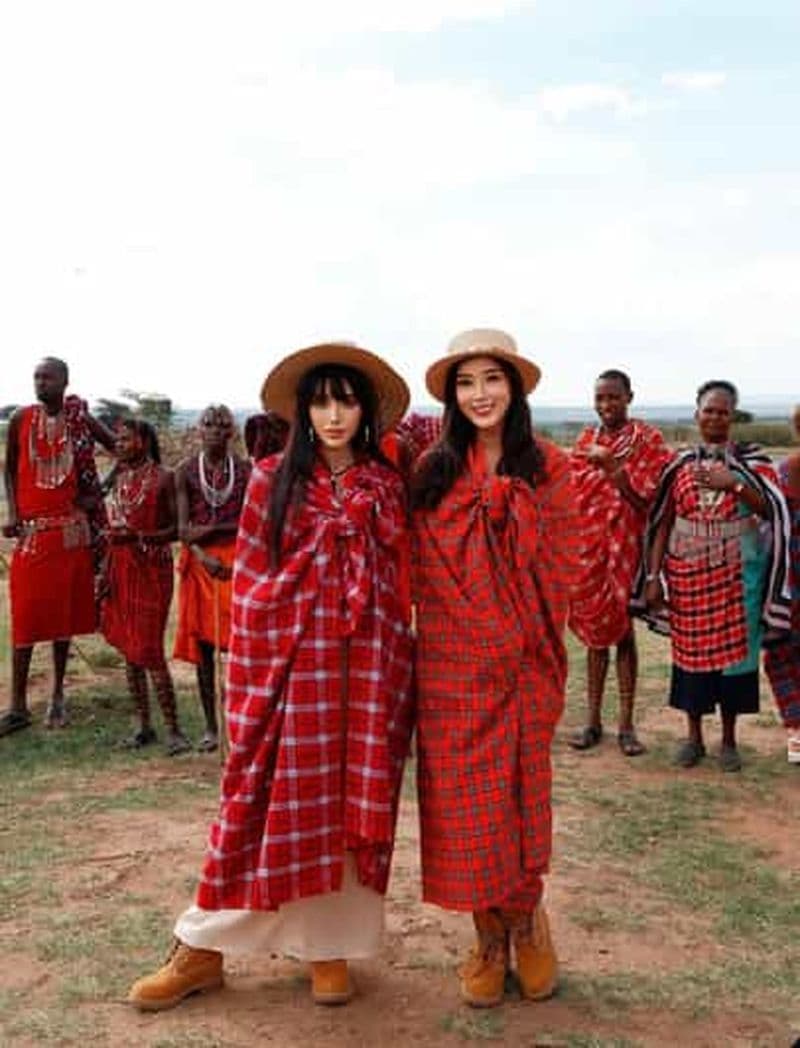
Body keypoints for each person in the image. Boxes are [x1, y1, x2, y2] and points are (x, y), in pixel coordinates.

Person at [128, 341, 413, 1011]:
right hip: (289, 672)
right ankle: (202, 947)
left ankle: (328, 948)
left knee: (345, 805)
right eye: (321, 400)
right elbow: (253, 582)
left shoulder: (386, 486)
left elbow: (398, 582)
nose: (334, 414)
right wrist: (301, 612)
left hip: (364, 673)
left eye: (346, 400)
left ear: (366, 409)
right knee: (259, 806)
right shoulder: (271, 479)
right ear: (302, 409)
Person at [411, 329, 579, 1008]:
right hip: (453, 671)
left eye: (492, 379)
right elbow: (423, 574)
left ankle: (527, 923)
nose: (480, 394)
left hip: (524, 666)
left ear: (515, 387)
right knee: (464, 809)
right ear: (452, 395)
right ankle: (487, 935)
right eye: (466, 382)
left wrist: (516, 638)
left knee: (519, 798)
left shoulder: (550, 467)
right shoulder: (432, 471)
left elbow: (562, 567)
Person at [632, 380, 791, 772]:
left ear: (732, 416)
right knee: (691, 659)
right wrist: (653, 576)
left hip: (738, 576)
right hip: (687, 576)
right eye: (709, 410)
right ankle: (693, 738)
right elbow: (662, 523)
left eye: (723, 411)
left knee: (735, 660)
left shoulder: (752, 461)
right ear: (697, 414)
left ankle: (729, 741)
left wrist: (732, 483)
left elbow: (771, 510)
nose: (716, 417)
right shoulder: (679, 464)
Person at [1, 357, 114, 735]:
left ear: (65, 382)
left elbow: (121, 449)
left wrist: (98, 494)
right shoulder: (21, 419)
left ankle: (57, 696)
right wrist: (14, 512)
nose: (40, 383)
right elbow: (10, 467)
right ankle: (16, 705)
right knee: (26, 617)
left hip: (70, 534)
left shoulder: (80, 420)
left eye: (47, 377)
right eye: (36, 376)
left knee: (61, 621)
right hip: (33, 534)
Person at [568, 370, 672, 756]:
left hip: (628, 547)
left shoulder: (647, 440)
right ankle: (593, 720)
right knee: (596, 636)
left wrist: (614, 471)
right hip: (590, 551)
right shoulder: (584, 440)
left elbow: (650, 502)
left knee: (623, 632)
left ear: (629, 396)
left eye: (613, 397)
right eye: (600, 398)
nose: (606, 405)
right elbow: (574, 498)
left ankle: (626, 725)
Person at [100, 418, 191, 756]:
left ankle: (175, 730)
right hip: (120, 566)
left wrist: (137, 536)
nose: (119, 444)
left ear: (142, 440)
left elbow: (176, 530)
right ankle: (143, 726)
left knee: (149, 648)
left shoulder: (165, 478)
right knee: (129, 647)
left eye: (125, 439)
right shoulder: (120, 477)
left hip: (152, 567)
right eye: (118, 440)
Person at [173, 406, 251, 751]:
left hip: (238, 561)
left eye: (221, 426)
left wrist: (215, 529)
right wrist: (203, 555)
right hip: (201, 563)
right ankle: (209, 726)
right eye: (208, 425)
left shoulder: (247, 472)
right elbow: (183, 529)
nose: (214, 432)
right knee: (204, 647)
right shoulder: (186, 473)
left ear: (231, 432)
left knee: (242, 643)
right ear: (198, 430)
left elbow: (251, 523)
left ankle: (241, 719)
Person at [764, 405, 800, 763]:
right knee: (781, 652)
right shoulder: (785, 472)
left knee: (783, 653)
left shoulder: (786, 471)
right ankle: (796, 731)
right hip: (790, 573)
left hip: (789, 573)